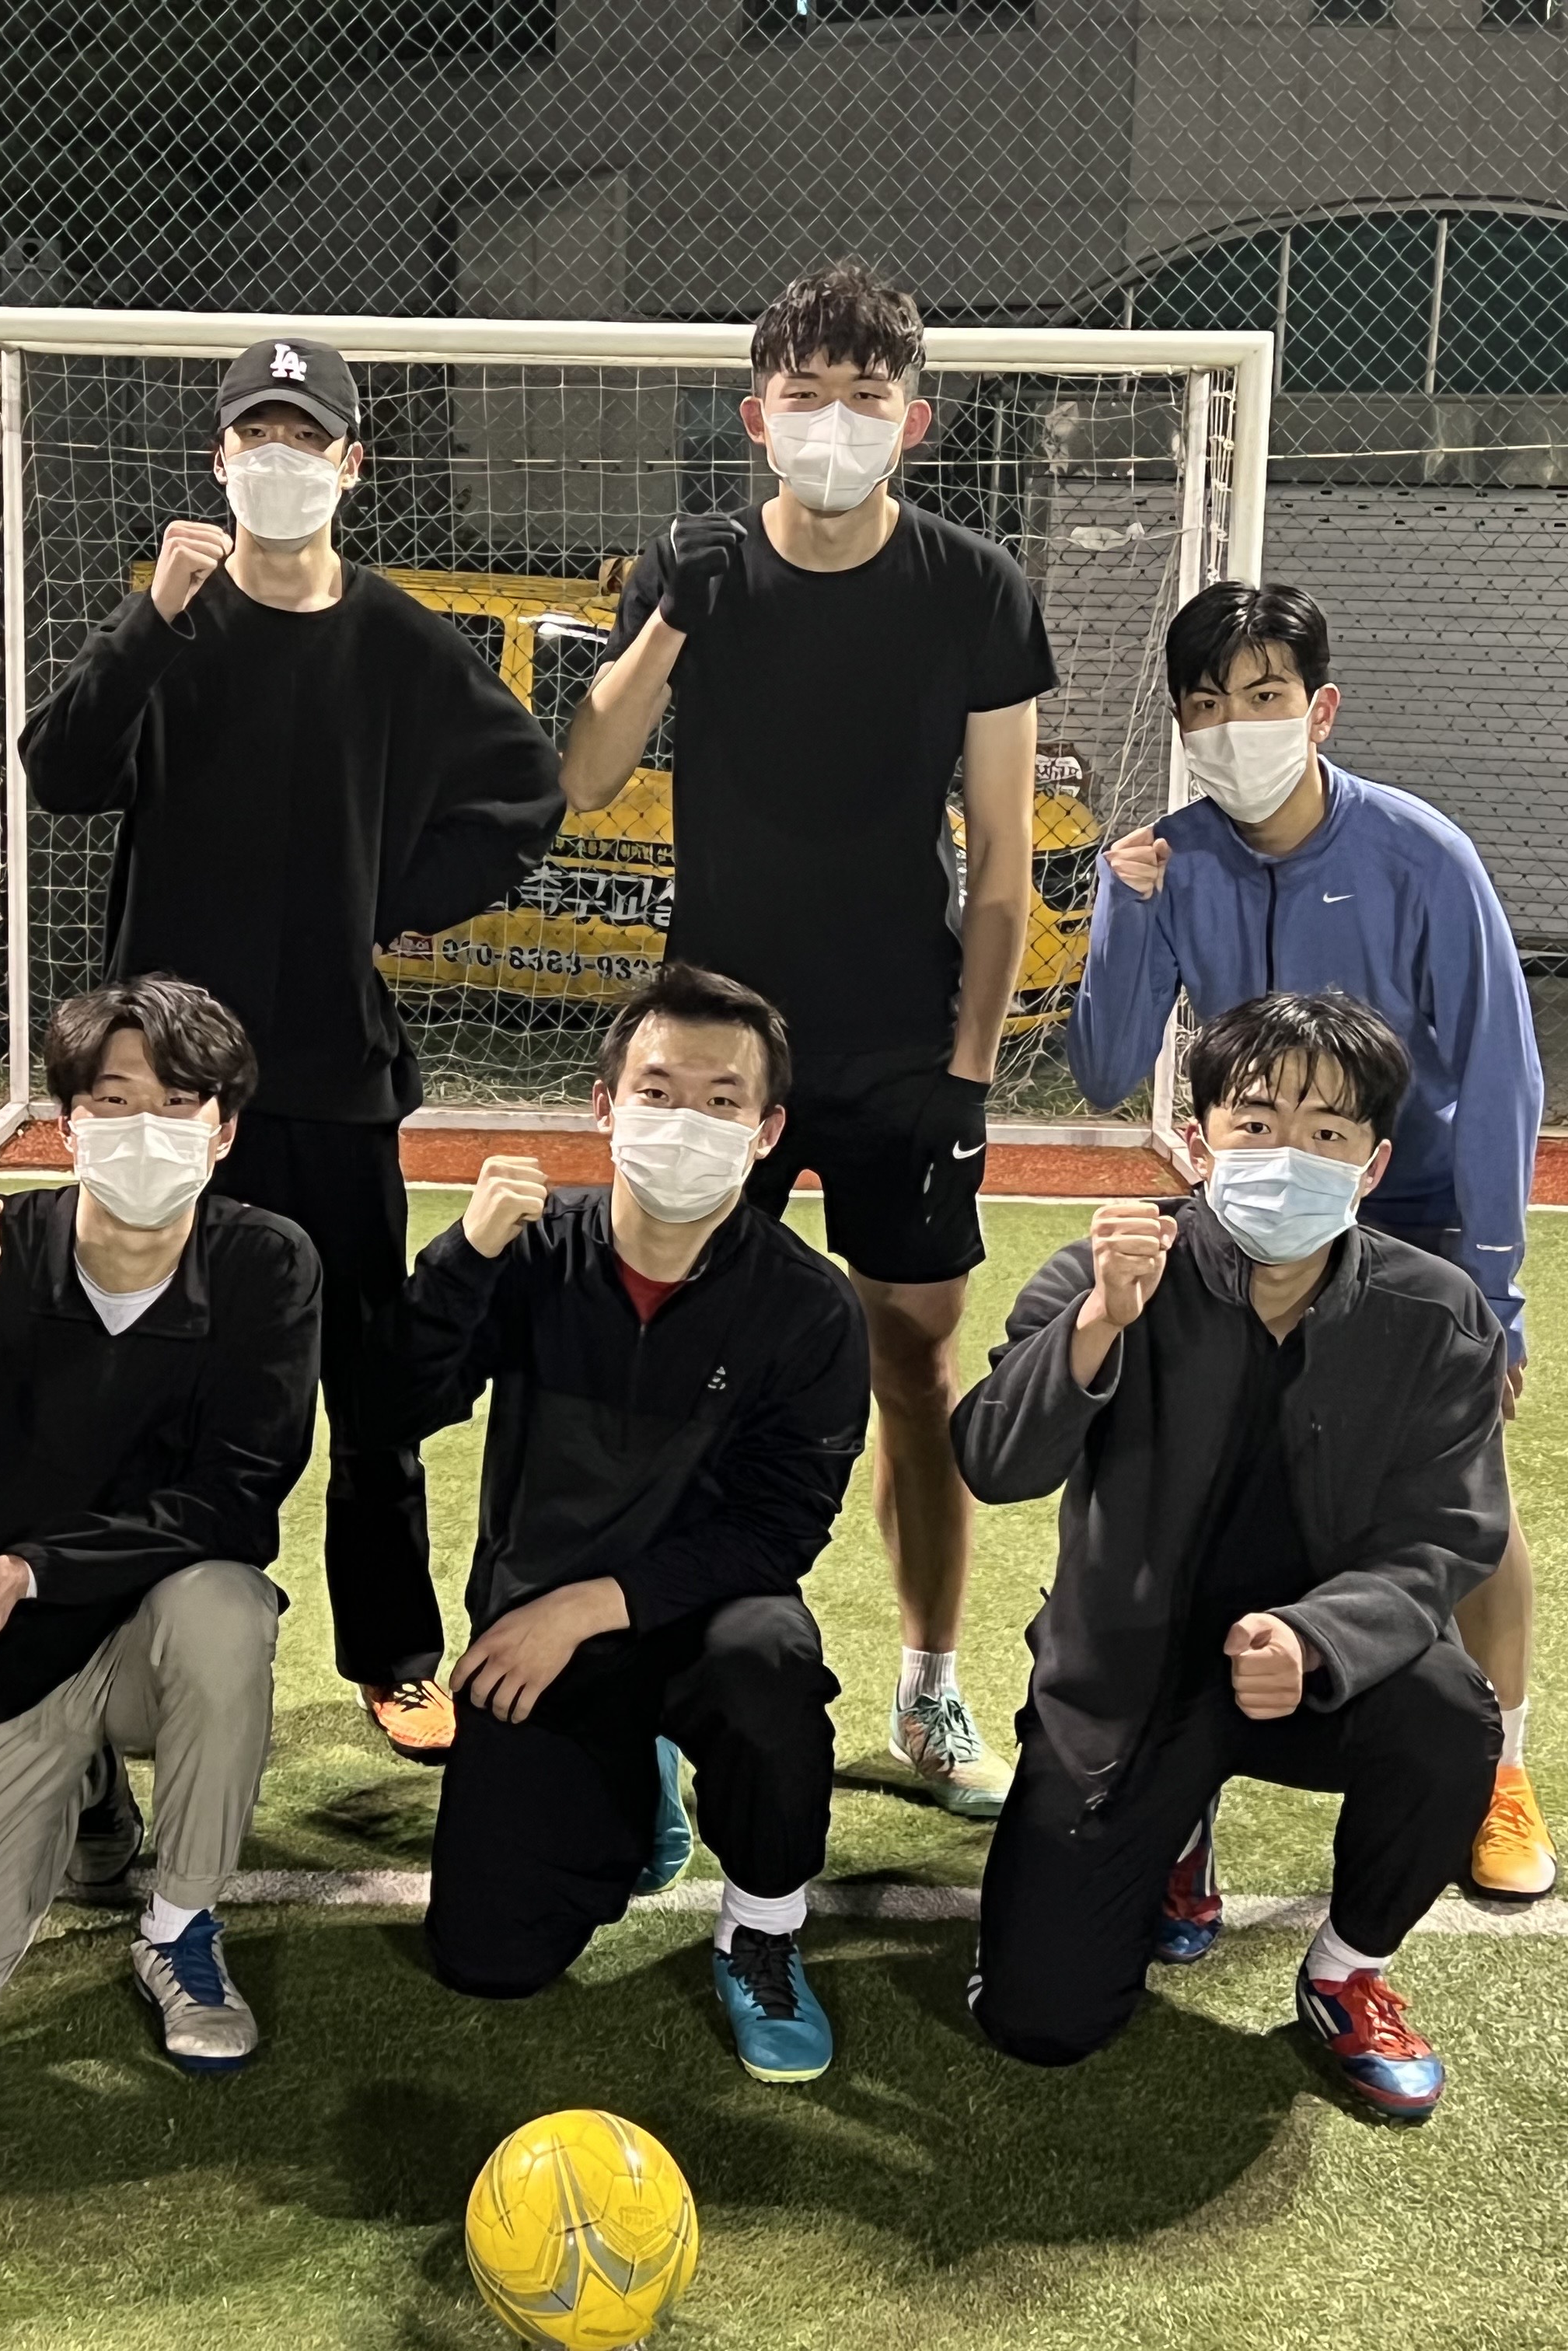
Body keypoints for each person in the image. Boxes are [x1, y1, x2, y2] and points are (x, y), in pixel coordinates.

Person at [18, 335, 563, 1768]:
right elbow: (58, 771)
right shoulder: (170, 626)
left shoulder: (397, 638)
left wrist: (391, 896)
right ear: (218, 460)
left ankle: (394, 1654)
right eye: (255, 435)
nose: (279, 460)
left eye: (304, 437)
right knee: (142, 1369)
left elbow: (525, 794)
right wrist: (149, 615)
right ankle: (121, 1631)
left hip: (331, 1077)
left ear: (349, 463)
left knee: (369, 1384)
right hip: (161, 1092)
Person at [560, 261, 1056, 1819]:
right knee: (672, 1363)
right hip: (719, 1060)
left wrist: (970, 1072)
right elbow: (586, 775)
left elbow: (1002, 858)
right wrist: (668, 619)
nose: (834, 422)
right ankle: (647, 1691)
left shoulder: (975, 588)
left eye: (865, 396)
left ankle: (928, 1686)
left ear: (914, 419)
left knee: (914, 1361)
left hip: (902, 1045)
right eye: (805, 394)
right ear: (754, 414)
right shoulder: (694, 568)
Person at [1064, 581, 1555, 1903]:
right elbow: (1106, 1071)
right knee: (1203, 1482)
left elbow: (1501, 1080)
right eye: (1208, 704)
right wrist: (1123, 908)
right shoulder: (1172, 861)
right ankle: (1180, 1789)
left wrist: (1494, 1295)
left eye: (1265, 696)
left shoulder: (1422, 854)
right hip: (1249, 1210)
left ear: (1319, 708)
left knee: (1467, 1493)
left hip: (1407, 1205)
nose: (1237, 726)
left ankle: (1500, 1768)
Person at [955, 991, 1507, 2119]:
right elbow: (994, 1464)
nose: (1286, 1154)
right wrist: (1096, 1326)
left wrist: (1318, 1637)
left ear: (1372, 1163)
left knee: (1452, 1718)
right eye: (1256, 1123)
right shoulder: (1109, 1272)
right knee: (1040, 2019)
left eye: (1327, 1132)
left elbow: (1445, 1534)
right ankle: (1175, 1829)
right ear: (1200, 1138)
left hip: (1315, 1678)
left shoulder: (1434, 1312)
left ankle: (1348, 1970)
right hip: (1133, 1681)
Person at [405, 966, 868, 2084]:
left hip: (699, 1619)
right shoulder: (527, 1251)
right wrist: (462, 1260)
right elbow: (397, 1405)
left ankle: (762, 1928)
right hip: (540, 1635)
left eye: (722, 1100)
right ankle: (631, 1777)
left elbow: (781, 1530)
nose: (685, 1121)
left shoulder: (808, 1306)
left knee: (767, 1665)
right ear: (606, 1108)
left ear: (765, 1134)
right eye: (658, 1092)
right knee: (488, 1961)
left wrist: (590, 1606)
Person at [0, 976, 321, 2073]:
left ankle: (179, 1926)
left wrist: (21, 1570)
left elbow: (239, 1495)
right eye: (113, 1101)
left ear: (224, 1130)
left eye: (178, 1102)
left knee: (224, 1607)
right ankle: (86, 1785)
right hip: (14, 1660)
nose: (145, 1128)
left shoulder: (266, 1264)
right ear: (66, 1124)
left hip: (144, 1641)